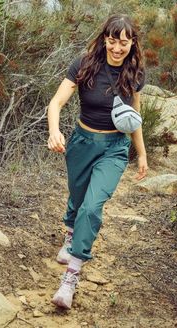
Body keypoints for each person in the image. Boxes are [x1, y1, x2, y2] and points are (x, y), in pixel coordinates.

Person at [47, 14, 148, 309]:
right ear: (105, 38)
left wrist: (141, 153)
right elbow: (56, 102)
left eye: (124, 42)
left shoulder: (136, 73)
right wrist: (55, 130)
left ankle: (71, 277)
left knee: (92, 207)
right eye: (113, 41)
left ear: (132, 43)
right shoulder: (85, 63)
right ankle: (70, 233)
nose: (118, 48)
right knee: (78, 198)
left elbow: (134, 118)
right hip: (81, 142)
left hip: (115, 148)